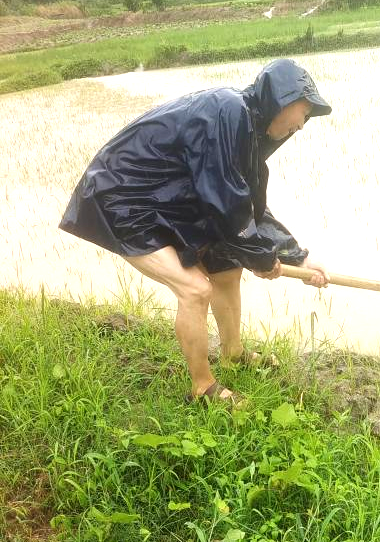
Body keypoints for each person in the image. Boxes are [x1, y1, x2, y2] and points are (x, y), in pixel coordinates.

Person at [59, 59, 331, 408]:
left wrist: (299, 257)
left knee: (226, 267)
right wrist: (263, 258)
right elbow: (226, 204)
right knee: (194, 288)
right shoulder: (229, 113)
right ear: (283, 98)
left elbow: (246, 208)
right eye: (304, 111)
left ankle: (233, 353)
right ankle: (202, 388)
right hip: (122, 197)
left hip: (166, 199)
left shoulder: (247, 127)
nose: (302, 124)